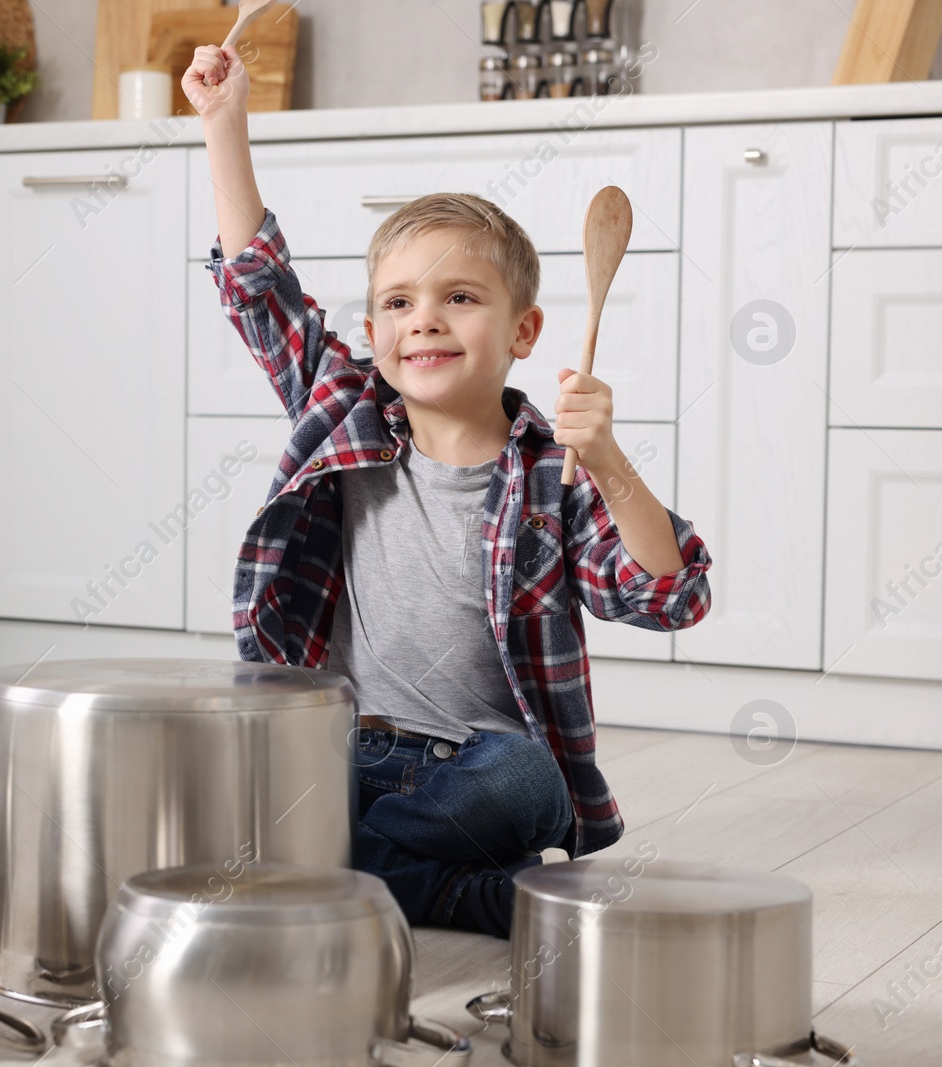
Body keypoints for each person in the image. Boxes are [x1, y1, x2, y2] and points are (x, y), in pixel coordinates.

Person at [185, 44, 713, 938]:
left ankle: (326, 865)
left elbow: (669, 595)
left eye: (459, 296)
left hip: (476, 768)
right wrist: (223, 122)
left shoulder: (557, 472)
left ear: (525, 330)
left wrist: (612, 460)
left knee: (531, 789)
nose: (422, 316)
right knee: (208, 762)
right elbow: (258, 289)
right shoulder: (344, 404)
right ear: (372, 332)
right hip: (336, 749)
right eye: (396, 303)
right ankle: (445, 888)